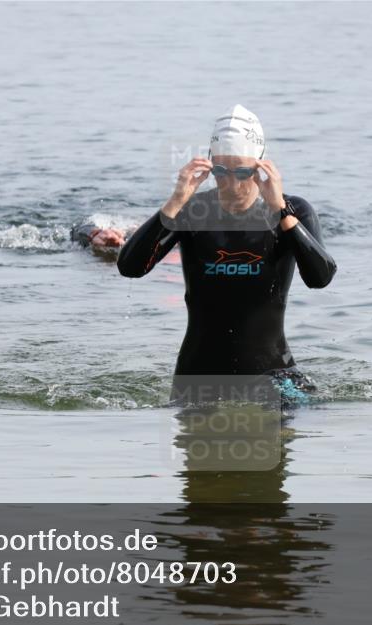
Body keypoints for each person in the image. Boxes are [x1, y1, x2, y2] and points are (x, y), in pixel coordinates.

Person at [117, 105, 336, 406]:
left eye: (242, 172)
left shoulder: (293, 212)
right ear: (210, 165)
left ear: (260, 166)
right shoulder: (192, 212)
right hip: (198, 379)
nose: (231, 183)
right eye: (220, 171)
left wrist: (281, 212)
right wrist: (175, 202)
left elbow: (320, 277)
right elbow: (131, 267)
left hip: (273, 376)